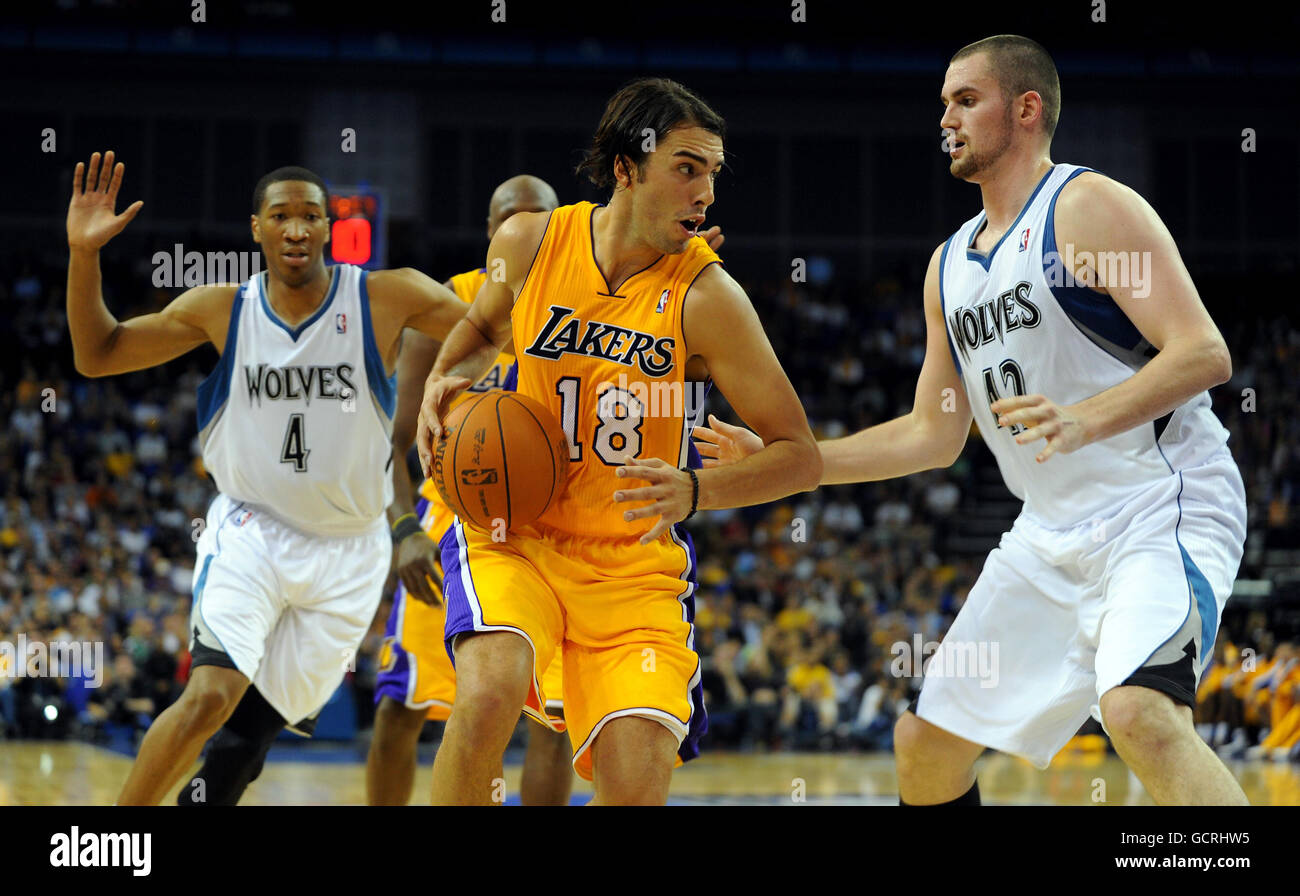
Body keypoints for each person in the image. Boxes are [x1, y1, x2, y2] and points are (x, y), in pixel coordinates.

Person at [695, 35, 1248, 805]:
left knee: (1139, 714)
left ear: (1026, 109)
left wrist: (1084, 420)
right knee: (925, 745)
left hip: (1160, 507)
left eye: (966, 100)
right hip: (1048, 532)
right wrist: (798, 458)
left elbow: (1203, 352)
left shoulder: (1086, 206)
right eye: (943, 105)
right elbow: (933, 432)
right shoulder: (948, 266)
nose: (946, 119)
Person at [415, 77, 821, 805]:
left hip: (632, 569)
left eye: (712, 173)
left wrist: (698, 489)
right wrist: (444, 380)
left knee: (634, 784)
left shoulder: (708, 298)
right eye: (687, 167)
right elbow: (480, 329)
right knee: (487, 692)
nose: (707, 193)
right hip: (518, 535)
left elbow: (799, 452)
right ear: (627, 168)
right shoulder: (532, 240)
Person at [66, 151, 470, 805]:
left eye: (311, 215)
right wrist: (85, 257)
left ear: (328, 228)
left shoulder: (386, 297)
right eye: (280, 215)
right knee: (208, 697)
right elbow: (97, 353)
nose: (296, 229)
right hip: (253, 532)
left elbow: (511, 331)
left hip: (351, 552)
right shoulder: (221, 309)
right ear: (256, 228)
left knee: (241, 749)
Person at [366, 174, 574, 806]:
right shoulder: (445, 307)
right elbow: (390, 442)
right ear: (493, 234)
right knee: (404, 708)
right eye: (515, 221)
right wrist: (403, 530)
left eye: (543, 219)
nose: (529, 232)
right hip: (453, 526)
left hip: (555, 528)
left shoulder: (589, 308)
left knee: (554, 721)